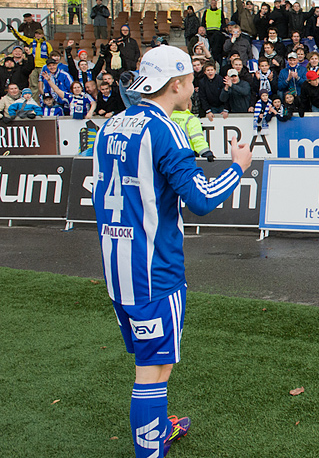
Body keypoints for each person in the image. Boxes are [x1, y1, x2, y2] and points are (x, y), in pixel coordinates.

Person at [92, 45, 252, 458]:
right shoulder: (165, 128)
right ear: (177, 83)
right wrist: (238, 167)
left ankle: (159, 426)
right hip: (154, 271)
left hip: (117, 265)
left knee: (154, 360)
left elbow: (96, 189)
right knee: (153, 368)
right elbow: (199, 199)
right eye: (190, 79)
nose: (194, 86)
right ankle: (151, 447)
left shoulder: (110, 126)